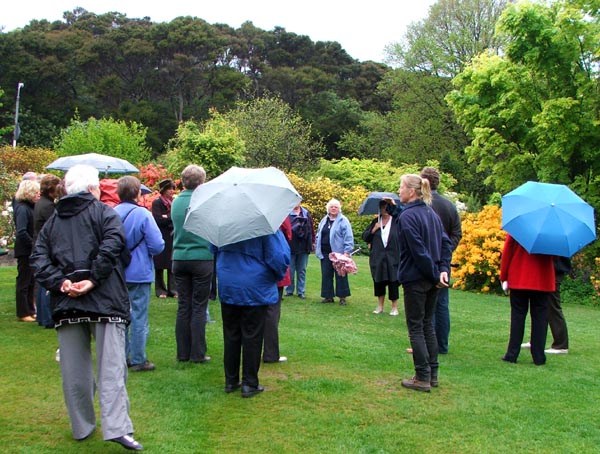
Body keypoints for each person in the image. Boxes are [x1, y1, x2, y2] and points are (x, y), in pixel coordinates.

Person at [30, 164, 143, 451]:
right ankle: (116, 428)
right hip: (104, 302)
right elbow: (115, 246)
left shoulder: (53, 222)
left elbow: (39, 259)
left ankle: (82, 426)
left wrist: (63, 283)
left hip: (69, 303)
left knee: (74, 370)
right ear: (93, 188)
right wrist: (86, 280)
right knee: (111, 368)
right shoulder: (105, 213)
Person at [212, 230, 290, 397]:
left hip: (229, 283)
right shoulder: (265, 227)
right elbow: (279, 257)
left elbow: (213, 249)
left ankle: (231, 380)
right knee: (253, 335)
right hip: (255, 285)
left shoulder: (223, 224)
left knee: (231, 334)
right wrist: (275, 275)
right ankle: (249, 383)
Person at [396, 174, 452, 392]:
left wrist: (435, 273)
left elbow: (417, 250)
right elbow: (445, 244)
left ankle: (422, 377)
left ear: (412, 191)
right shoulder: (431, 213)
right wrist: (442, 271)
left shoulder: (408, 217)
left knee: (416, 327)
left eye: (401, 187)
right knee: (428, 325)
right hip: (431, 278)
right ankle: (433, 374)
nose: (399, 190)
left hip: (417, 278)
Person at [115, 176, 165, 372]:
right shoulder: (143, 214)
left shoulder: (111, 213)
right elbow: (158, 245)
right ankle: (138, 358)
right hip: (139, 270)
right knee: (139, 316)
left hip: (117, 272)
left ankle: (120, 355)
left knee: (120, 316)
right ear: (137, 193)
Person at [171, 165, 214, 363]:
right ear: (201, 182)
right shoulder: (204, 201)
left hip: (179, 257)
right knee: (198, 306)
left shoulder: (175, 202)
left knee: (183, 306)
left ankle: (182, 352)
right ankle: (197, 353)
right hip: (201, 257)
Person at [420, 167, 462, 354]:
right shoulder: (449, 205)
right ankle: (442, 345)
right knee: (441, 303)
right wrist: (446, 251)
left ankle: (428, 344)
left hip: (424, 260)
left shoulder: (422, 205)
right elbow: (456, 234)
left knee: (424, 304)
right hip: (443, 262)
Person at [500, 234, 555, 366]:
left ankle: (512, 353)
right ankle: (539, 356)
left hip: (519, 276)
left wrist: (504, 276)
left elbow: (507, 252)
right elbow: (556, 256)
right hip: (542, 278)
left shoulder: (519, 228)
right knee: (540, 319)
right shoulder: (551, 232)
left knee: (517, 317)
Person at [362, 200, 401, 316]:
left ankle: (394, 307)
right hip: (378, 256)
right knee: (379, 281)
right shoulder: (375, 221)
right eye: (381, 207)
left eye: (385, 206)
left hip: (393, 256)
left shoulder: (396, 221)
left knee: (393, 280)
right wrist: (374, 229)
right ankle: (380, 306)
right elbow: (365, 237)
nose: (383, 209)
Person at [33, 174, 61, 328]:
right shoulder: (48, 206)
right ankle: (47, 317)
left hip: (38, 244)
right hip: (45, 247)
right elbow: (54, 227)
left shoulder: (40, 203)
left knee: (42, 281)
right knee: (47, 282)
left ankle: (42, 316)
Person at [263, 217, 292, 363]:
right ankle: (270, 354)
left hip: (251, 273)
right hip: (272, 273)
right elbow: (287, 235)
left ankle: (260, 353)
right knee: (272, 313)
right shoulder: (278, 213)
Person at [315, 199, 354, 306]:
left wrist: (347, 252)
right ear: (328, 208)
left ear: (339, 209)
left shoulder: (343, 220)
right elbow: (319, 233)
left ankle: (342, 297)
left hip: (339, 254)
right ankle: (328, 296)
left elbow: (348, 237)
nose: (333, 208)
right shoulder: (324, 220)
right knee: (326, 274)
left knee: (341, 275)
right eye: (331, 206)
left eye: (335, 207)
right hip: (325, 253)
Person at [13, 179, 40, 322]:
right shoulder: (23, 209)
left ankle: (30, 309)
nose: (38, 195)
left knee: (30, 281)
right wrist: (33, 245)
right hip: (25, 250)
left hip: (28, 249)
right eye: (35, 192)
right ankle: (23, 312)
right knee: (24, 281)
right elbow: (22, 231)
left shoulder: (29, 207)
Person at [151, 179, 177, 298]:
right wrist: (168, 218)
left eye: (173, 189)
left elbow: (174, 219)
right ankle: (160, 289)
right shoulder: (157, 203)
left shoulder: (174, 202)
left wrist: (167, 217)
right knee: (160, 264)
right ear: (164, 190)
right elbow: (158, 220)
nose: (172, 191)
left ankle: (173, 289)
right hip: (161, 235)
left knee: (171, 263)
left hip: (172, 236)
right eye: (169, 189)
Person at [285, 203, 314, 299]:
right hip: (290, 246)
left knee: (302, 270)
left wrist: (312, 242)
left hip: (304, 246)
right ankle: (289, 290)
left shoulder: (306, 213)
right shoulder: (287, 214)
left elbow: (311, 230)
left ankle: (301, 291)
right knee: (290, 270)